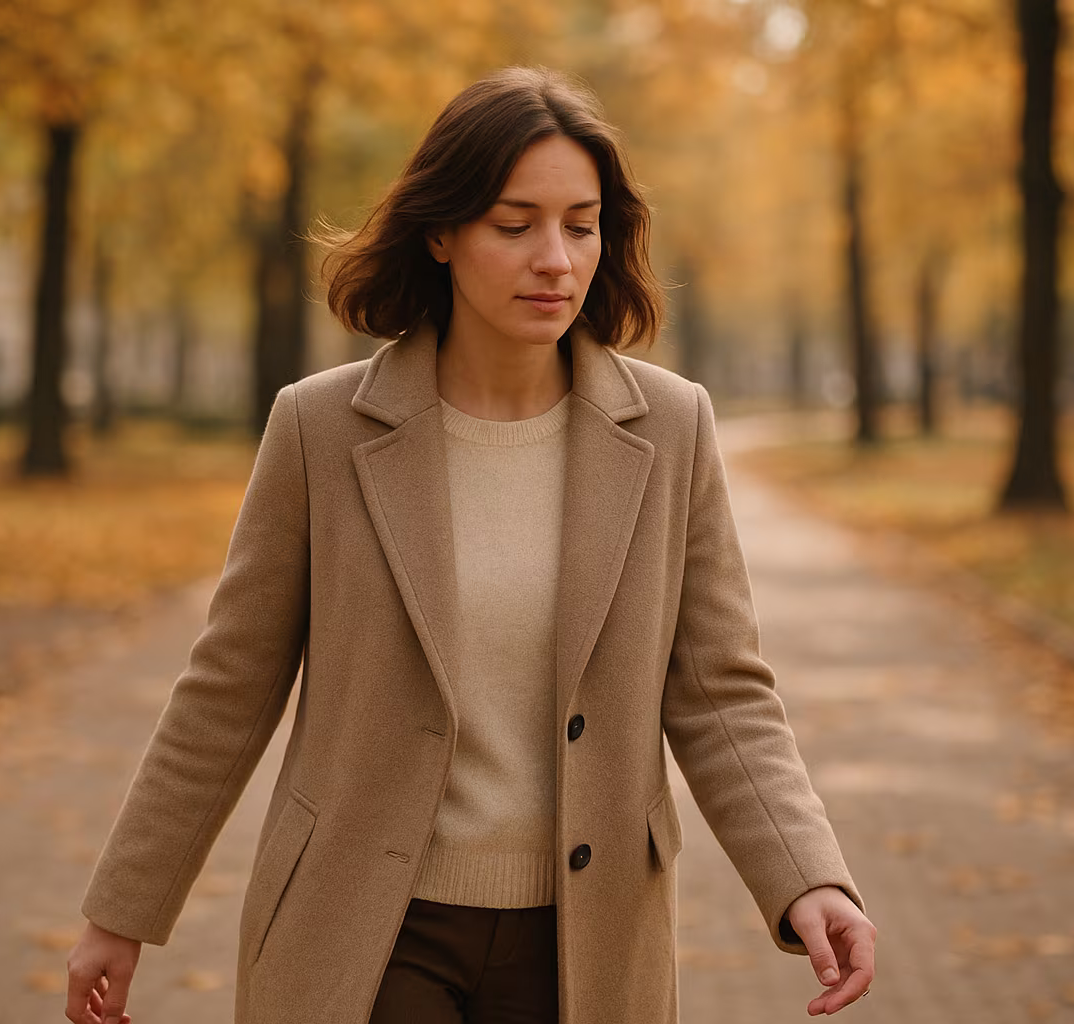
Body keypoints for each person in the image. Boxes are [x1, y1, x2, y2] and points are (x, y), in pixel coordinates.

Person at [64, 65, 875, 1024]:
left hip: (589, 937)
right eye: (513, 223)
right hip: (368, 929)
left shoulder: (671, 429)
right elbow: (229, 685)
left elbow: (719, 691)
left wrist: (806, 874)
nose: (555, 259)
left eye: (581, 224)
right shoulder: (322, 429)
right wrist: (124, 909)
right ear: (442, 233)